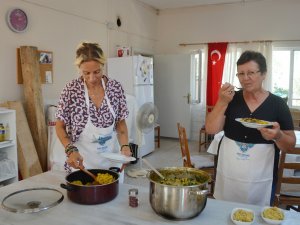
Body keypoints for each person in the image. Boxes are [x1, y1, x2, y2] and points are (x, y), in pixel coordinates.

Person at [205, 50, 296, 206]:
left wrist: (278, 135)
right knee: (224, 212)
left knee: (257, 214)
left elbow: (290, 144)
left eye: (251, 73)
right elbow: (211, 129)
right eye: (241, 74)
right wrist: (222, 101)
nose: (245, 79)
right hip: (229, 172)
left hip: (261, 176)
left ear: (264, 74)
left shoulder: (278, 104)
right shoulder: (231, 99)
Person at [55, 42, 132, 180]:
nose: (92, 78)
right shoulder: (71, 91)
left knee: (113, 197)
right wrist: (70, 150)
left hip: (111, 163)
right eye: (86, 73)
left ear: (103, 66)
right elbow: (60, 127)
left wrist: (125, 146)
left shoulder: (115, 88)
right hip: (81, 164)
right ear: (79, 69)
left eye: (97, 72)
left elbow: (121, 123)